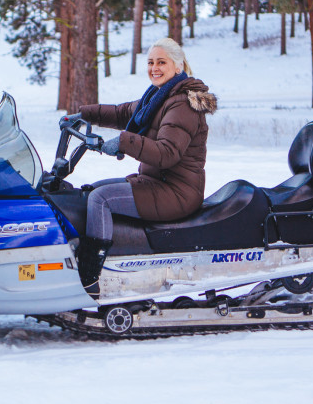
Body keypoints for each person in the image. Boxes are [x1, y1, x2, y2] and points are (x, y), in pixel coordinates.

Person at [64, 37, 217, 298]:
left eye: (161, 62)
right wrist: (83, 114)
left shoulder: (183, 104)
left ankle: (88, 278)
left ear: (178, 67)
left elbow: (167, 153)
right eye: (150, 62)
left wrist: (123, 142)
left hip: (177, 192)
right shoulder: (160, 96)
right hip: (159, 182)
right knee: (92, 191)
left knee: (101, 199)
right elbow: (126, 113)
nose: (154, 68)